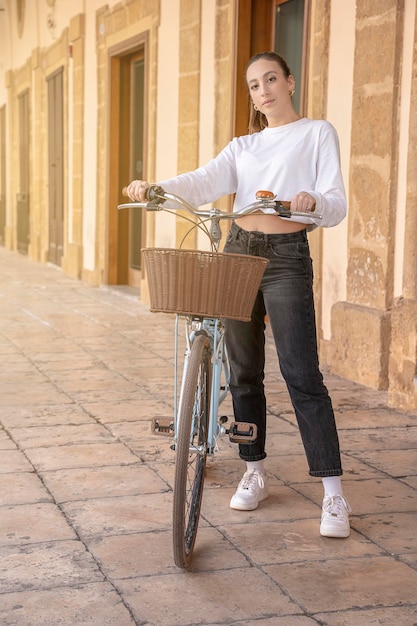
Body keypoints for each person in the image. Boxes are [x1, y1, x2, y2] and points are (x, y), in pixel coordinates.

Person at [127, 51, 351, 538]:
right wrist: (157, 188)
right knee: (244, 370)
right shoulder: (243, 146)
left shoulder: (317, 133)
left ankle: (333, 494)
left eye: (271, 79)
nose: (263, 90)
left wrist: (313, 201)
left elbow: (336, 205)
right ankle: (254, 470)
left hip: (287, 254)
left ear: (289, 82)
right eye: (253, 85)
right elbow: (205, 180)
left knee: (300, 372)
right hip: (238, 251)